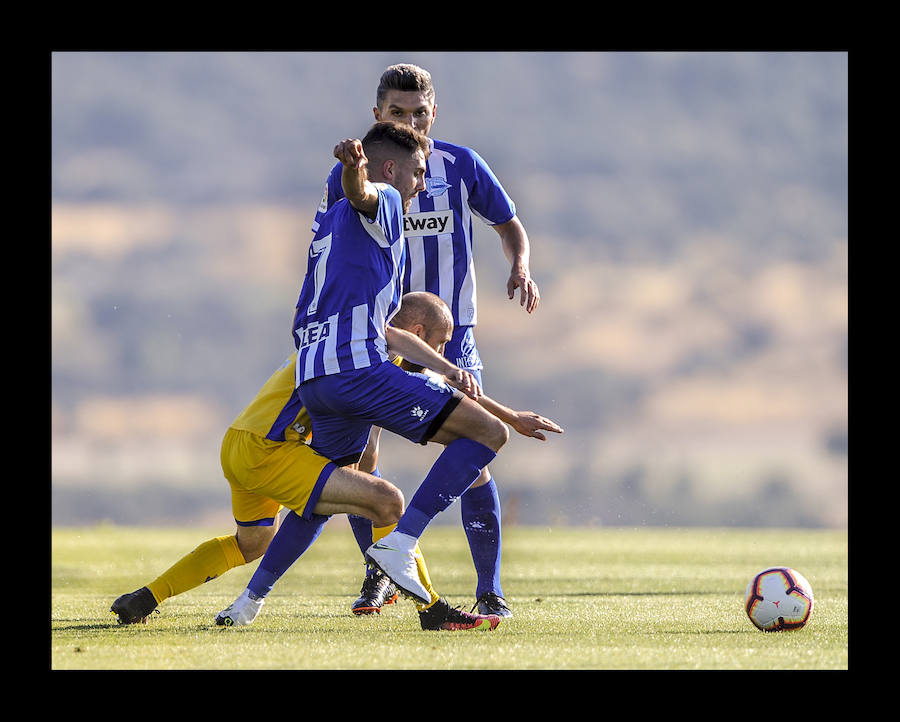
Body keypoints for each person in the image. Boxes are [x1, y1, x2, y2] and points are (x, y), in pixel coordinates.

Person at [218, 120, 523, 628]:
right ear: (390, 168)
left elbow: (374, 318)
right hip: (357, 370)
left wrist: (351, 176)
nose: (422, 185)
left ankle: (245, 604)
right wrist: (355, 173)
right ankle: (402, 542)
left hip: (315, 379)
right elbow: (366, 193)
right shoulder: (382, 199)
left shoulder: (330, 224)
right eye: (419, 173)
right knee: (489, 434)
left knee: (325, 499)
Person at [109, 302, 503, 631]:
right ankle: (430, 610)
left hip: (239, 442)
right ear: (417, 332)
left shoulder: (350, 343)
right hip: (272, 450)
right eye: (441, 342)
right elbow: (418, 391)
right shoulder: (371, 355)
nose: (443, 352)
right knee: (386, 501)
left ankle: (147, 597)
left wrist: (509, 415)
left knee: (251, 544)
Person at [314, 63, 540, 617]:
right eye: (397, 113)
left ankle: (490, 589)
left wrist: (521, 266)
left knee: (476, 456)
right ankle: (381, 576)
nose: (410, 120)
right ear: (377, 116)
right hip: (374, 336)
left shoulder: (459, 165)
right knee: (360, 459)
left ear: (433, 112)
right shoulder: (356, 176)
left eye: (419, 112)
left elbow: (508, 223)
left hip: (452, 335)